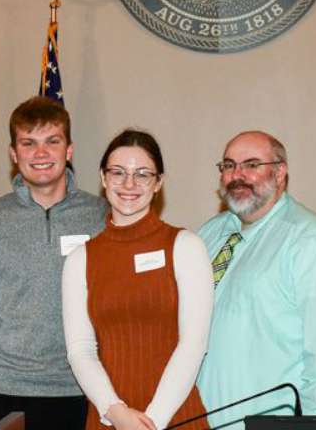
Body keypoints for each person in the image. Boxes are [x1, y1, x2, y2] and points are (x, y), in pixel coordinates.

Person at [0, 96, 106, 430]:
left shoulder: (102, 217)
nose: (41, 153)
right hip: (7, 395)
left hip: (86, 392)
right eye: (28, 143)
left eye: (52, 141)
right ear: (13, 153)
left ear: (69, 150)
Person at [197, 130, 316, 428]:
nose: (237, 175)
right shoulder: (208, 235)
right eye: (229, 165)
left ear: (280, 172)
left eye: (251, 165)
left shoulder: (313, 243)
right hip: (196, 419)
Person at [62, 129, 213, 430]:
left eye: (142, 174)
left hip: (176, 417)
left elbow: (193, 345)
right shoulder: (80, 259)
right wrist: (115, 412)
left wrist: (151, 422)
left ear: (158, 183)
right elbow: (80, 349)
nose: (129, 184)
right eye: (118, 172)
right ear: (103, 178)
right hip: (109, 420)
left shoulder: (186, 246)